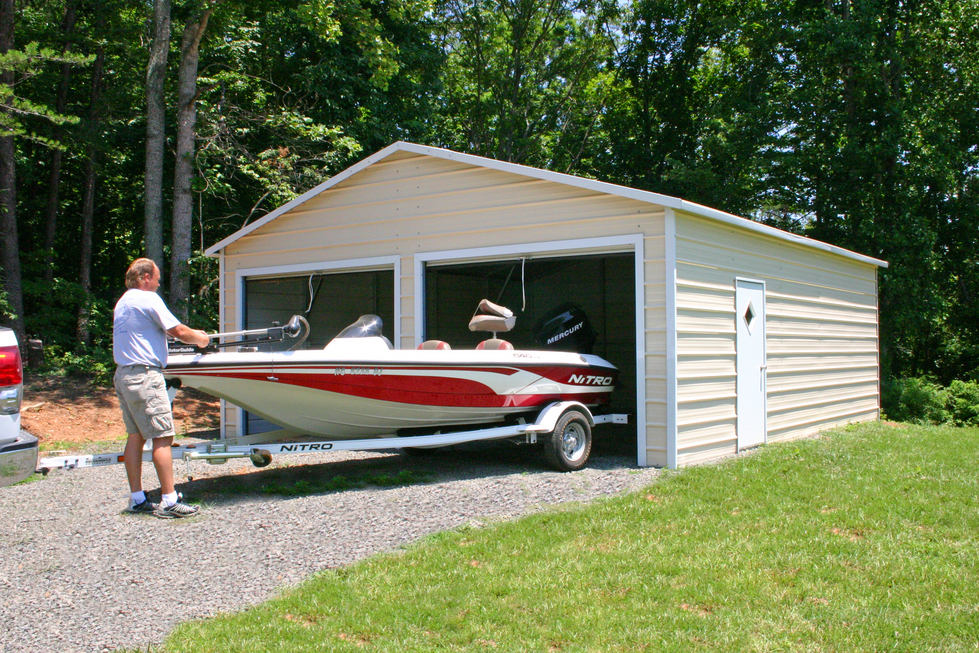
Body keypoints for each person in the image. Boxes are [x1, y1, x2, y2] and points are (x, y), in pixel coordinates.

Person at [113, 258, 210, 518]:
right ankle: (169, 501)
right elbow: (177, 330)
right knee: (163, 437)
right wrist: (200, 338)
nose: (158, 284)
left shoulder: (124, 302)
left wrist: (189, 332)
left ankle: (137, 499)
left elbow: (153, 331)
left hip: (124, 375)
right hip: (145, 376)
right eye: (156, 278)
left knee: (136, 436)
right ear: (145, 277)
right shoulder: (148, 298)